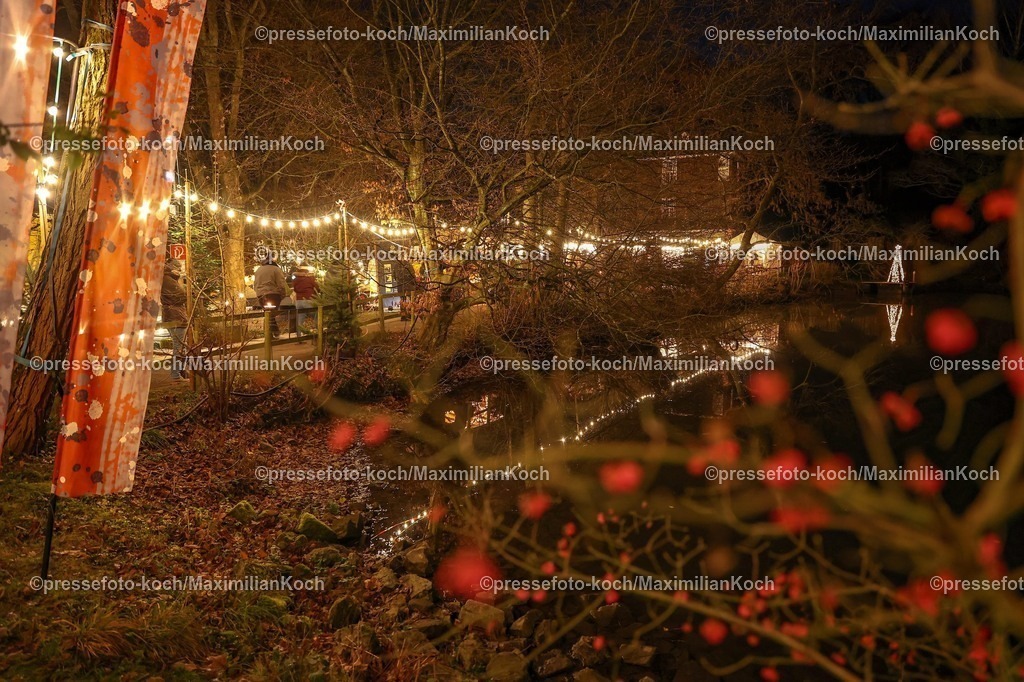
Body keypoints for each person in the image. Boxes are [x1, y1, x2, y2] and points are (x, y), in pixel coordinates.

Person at [160, 264, 189, 380]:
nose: (180, 271)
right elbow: (181, 295)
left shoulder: (168, 279)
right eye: (178, 268)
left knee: (181, 346)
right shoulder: (168, 280)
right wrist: (187, 292)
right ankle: (175, 374)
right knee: (179, 347)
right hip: (176, 317)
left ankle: (180, 371)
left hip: (173, 316)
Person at [254, 256, 288, 338]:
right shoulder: (276, 269)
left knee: (267, 313)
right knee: (272, 313)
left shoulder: (258, 270)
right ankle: (274, 332)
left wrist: (258, 293)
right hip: (273, 294)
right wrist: (282, 294)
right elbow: (281, 283)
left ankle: (270, 333)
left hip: (261, 295)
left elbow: (255, 284)